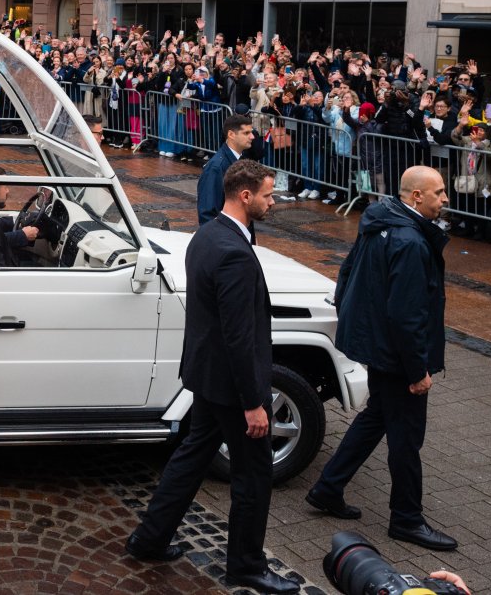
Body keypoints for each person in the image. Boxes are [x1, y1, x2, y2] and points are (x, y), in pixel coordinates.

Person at [126, 160, 297, 594]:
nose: (272, 201)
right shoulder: (234, 252)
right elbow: (240, 336)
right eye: (268, 194)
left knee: (191, 457)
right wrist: (254, 402)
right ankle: (246, 567)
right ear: (245, 195)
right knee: (253, 478)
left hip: (204, 376)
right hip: (230, 385)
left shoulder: (207, 235)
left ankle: (150, 538)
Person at [307, 165, 457, 552]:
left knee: (376, 418)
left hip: (377, 346)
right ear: (416, 197)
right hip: (394, 356)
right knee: (406, 439)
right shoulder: (408, 241)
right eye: (439, 192)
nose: (445, 199)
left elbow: (348, 272)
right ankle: (406, 519)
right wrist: (417, 370)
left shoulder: (380, 220)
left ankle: (328, 488)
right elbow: (406, 315)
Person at [198, 113, 256, 225]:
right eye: (246, 133)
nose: (252, 136)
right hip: (227, 237)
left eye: (251, 132)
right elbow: (207, 213)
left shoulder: (239, 159)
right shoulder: (216, 167)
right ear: (231, 134)